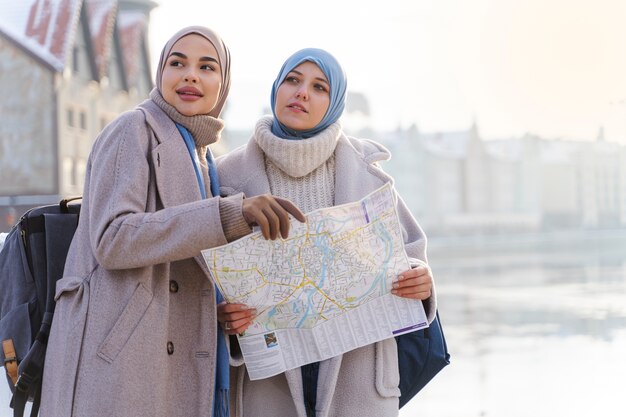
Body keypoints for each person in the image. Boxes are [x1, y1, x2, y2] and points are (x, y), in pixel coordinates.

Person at [40, 26, 304, 417]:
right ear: (160, 72)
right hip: (121, 369)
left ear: (224, 84)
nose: (190, 75)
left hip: (171, 363)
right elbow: (113, 238)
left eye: (207, 66)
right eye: (177, 63)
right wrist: (229, 213)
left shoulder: (202, 156)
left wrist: (221, 312)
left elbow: (185, 271)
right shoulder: (133, 129)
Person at [216, 48, 437, 417]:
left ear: (335, 104)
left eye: (319, 87)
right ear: (275, 89)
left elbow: (414, 256)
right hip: (267, 380)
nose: (301, 92)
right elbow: (202, 280)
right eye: (292, 80)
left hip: (359, 377)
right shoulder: (225, 177)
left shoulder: (368, 173)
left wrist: (422, 282)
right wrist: (223, 317)